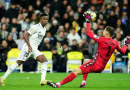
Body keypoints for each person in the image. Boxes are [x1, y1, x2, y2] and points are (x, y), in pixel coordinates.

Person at [47, 11, 129, 88]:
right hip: (102, 66)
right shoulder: (115, 43)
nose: (102, 32)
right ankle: (83, 82)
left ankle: (58, 84)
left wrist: (88, 21)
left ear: (107, 33)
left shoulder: (102, 39)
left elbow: (89, 33)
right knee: (86, 60)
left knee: (76, 71)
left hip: (95, 64)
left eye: (104, 31)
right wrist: (126, 44)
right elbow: (123, 51)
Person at [0, 11, 49, 86]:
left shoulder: (44, 29)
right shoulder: (35, 27)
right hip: (28, 48)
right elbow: (25, 35)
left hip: (34, 49)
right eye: (44, 19)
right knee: (18, 63)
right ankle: (2, 78)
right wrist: (29, 46)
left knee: (45, 61)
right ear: (40, 19)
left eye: (47, 19)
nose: (45, 21)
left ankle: (42, 80)